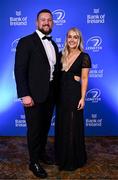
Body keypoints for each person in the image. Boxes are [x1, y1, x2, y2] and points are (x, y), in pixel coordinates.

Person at [14, 9, 59, 178]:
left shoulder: (54, 45)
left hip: (50, 95)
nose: (46, 22)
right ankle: (33, 162)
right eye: (43, 20)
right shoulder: (26, 42)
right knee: (34, 129)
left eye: (49, 20)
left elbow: (54, 71)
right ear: (36, 23)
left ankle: (41, 154)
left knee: (45, 127)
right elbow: (19, 70)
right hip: (32, 95)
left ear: (52, 23)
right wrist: (24, 94)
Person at [55, 27, 91, 171]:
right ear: (66, 38)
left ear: (79, 40)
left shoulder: (84, 56)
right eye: (70, 36)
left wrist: (83, 98)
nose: (72, 39)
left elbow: (84, 78)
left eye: (75, 37)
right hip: (60, 95)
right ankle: (61, 157)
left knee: (72, 125)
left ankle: (72, 159)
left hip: (74, 94)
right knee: (62, 125)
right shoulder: (60, 55)